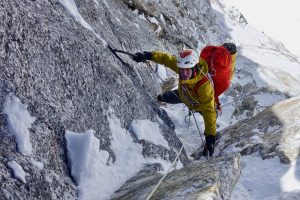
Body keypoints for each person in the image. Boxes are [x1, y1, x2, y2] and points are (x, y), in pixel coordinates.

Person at [132, 48, 217, 158]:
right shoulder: (184, 67)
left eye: (187, 70)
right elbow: (166, 59)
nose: (184, 73)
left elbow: (209, 111)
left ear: (195, 67)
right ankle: (162, 98)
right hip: (183, 94)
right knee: (162, 98)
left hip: (198, 104)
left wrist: (210, 138)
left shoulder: (204, 86)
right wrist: (147, 55)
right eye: (181, 70)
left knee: (209, 116)